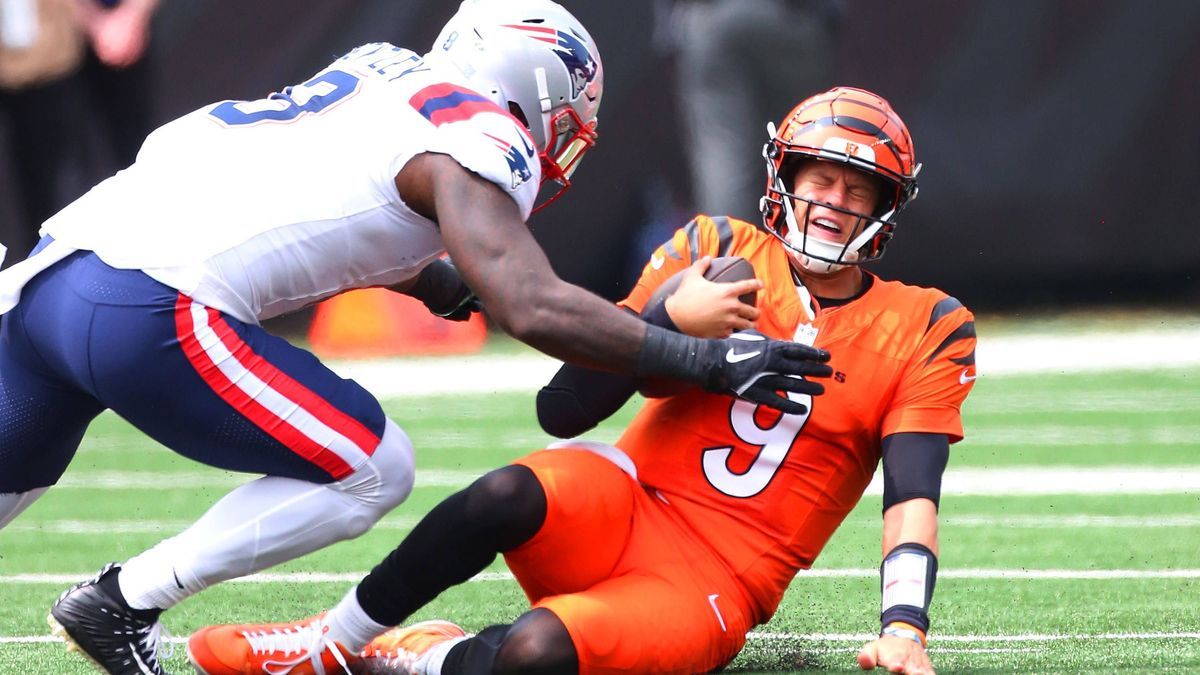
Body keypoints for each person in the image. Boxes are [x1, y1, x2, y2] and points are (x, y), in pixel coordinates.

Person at [0, 1, 831, 673]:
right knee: (373, 465)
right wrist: (701, 358)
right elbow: (534, 305)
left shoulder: (376, 70)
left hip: (53, 272)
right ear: (534, 89)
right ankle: (125, 597)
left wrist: (434, 278)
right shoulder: (483, 136)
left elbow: (313, 194)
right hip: (150, 300)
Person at [186, 86, 977, 675]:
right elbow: (564, 408)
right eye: (819, 177)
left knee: (534, 651)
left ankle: (424, 654)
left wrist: (905, 625)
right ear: (784, 176)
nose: (833, 202)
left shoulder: (928, 323)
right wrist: (667, 321)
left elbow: (912, 495)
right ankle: (333, 640)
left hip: (717, 576)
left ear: (885, 205)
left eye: (856, 187)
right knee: (503, 493)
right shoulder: (715, 247)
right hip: (623, 499)